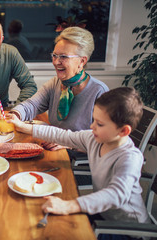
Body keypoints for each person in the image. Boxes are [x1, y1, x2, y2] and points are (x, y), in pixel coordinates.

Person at [10, 87, 150, 239]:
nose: (92, 126)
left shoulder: (130, 157)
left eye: (100, 124)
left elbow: (116, 194)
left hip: (129, 230)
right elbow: (63, 136)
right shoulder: (95, 138)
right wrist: (24, 127)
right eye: (94, 120)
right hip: (102, 215)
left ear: (123, 131)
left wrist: (69, 205)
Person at [11, 26, 109, 152]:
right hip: (53, 148)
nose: (56, 62)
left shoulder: (100, 92)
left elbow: (103, 140)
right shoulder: (55, 83)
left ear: (82, 61)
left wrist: (68, 143)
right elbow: (32, 105)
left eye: (63, 57)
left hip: (77, 157)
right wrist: (14, 115)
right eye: (55, 55)